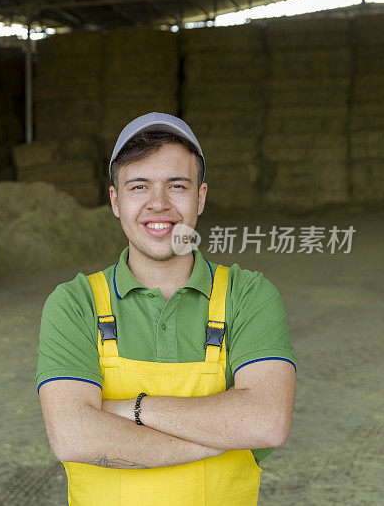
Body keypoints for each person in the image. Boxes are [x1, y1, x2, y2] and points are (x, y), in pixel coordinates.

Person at [36, 112, 296, 505]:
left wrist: (133, 410)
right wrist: (215, 441)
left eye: (177, 185)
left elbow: (266, 422)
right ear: (115, 201)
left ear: (200, 197)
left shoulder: (248, 295)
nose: (158, 205)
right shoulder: (75, 303)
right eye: (138, 186)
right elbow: (73, 436)